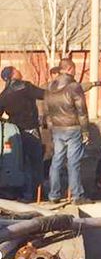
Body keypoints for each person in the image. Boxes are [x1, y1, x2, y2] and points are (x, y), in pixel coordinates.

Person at [44, 58, 92, 205]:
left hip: (57, 129)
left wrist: (51, 129)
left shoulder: (50, 86)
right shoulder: (73, 87)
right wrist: (85, 131)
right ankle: (77, 196)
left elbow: (47, 111)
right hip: (73, 128)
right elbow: (82, 111)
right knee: (73, 162)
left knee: (56, 161)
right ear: (70, 69)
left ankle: (54, 195)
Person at [0, 66, 45, 201]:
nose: (20, 72)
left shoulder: (4, 95)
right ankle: (36, 193)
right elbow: (43, 94)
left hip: (16, 133)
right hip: (31, 129)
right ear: (13, 74)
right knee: (36, 162)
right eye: (17, 70)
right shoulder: (26, 87)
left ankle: (24, 193)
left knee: (22, 163)